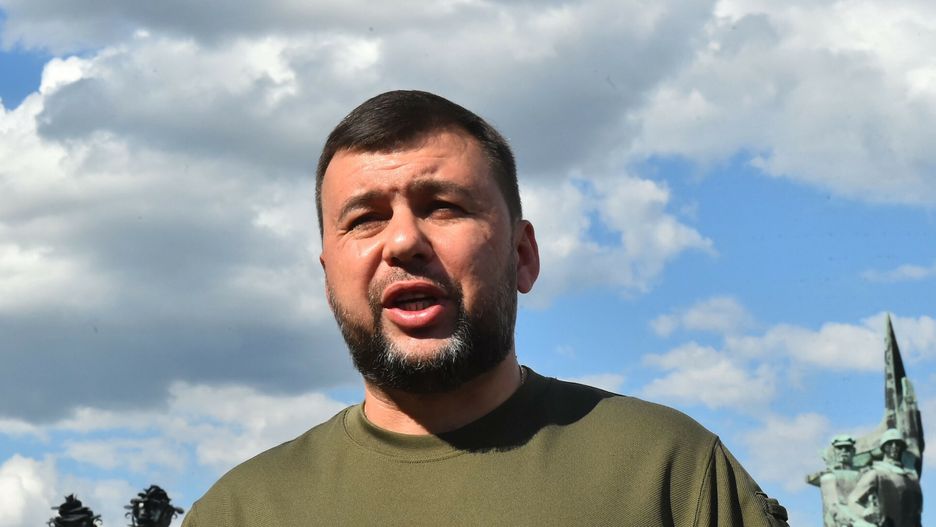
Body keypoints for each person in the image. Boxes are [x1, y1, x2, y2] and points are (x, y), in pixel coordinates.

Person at [182, 90, 789, 526]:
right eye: (365, 219)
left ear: (523, 255)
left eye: (443, 206)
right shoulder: (239, 511)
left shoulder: (670, 473)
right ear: (328, 277)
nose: (402, 242)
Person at [848, 429, 923, 527]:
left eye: (897, 444)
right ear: (883, 447)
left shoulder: (911, 478)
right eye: (890, 444)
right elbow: (852, 499)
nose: (894, 447)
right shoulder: (876, 472)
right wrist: (864, 511)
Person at [818, 435, 861, 526]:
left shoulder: (861, 475)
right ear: (834, 451)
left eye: (847, 448)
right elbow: (833, 507)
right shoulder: (828, 476)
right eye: (840, 448)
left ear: (853, 451)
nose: (844, 451)